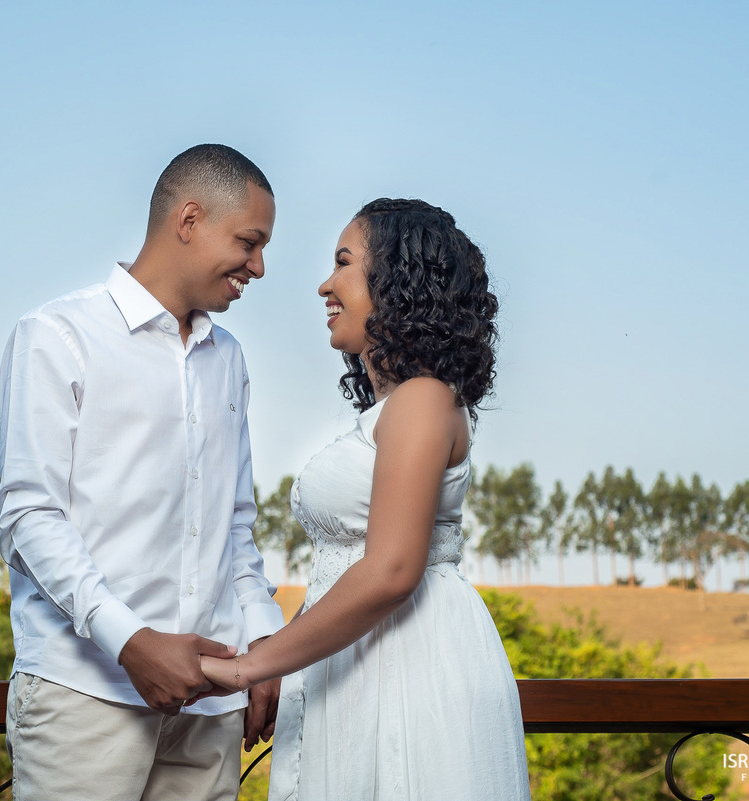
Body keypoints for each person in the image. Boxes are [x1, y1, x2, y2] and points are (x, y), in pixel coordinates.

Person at [201, 198, 532, 800]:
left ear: (397, 281)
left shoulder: (424, 398)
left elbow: (390, 571)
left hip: (411, 660)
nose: (326, 284)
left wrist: (252, 666)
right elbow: (345, 573)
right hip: (363, 656)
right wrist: (285, 658)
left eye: (344, 263)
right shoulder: (396, 406)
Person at [0, 144, 287, 801]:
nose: (259, 266)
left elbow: (235, 530)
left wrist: (264, 642)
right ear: (189, 219)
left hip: (213, 709)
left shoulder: (229, 358)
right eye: (249, 241)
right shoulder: (56, 335)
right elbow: (27, 516)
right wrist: (131, 644)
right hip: (84, 696)